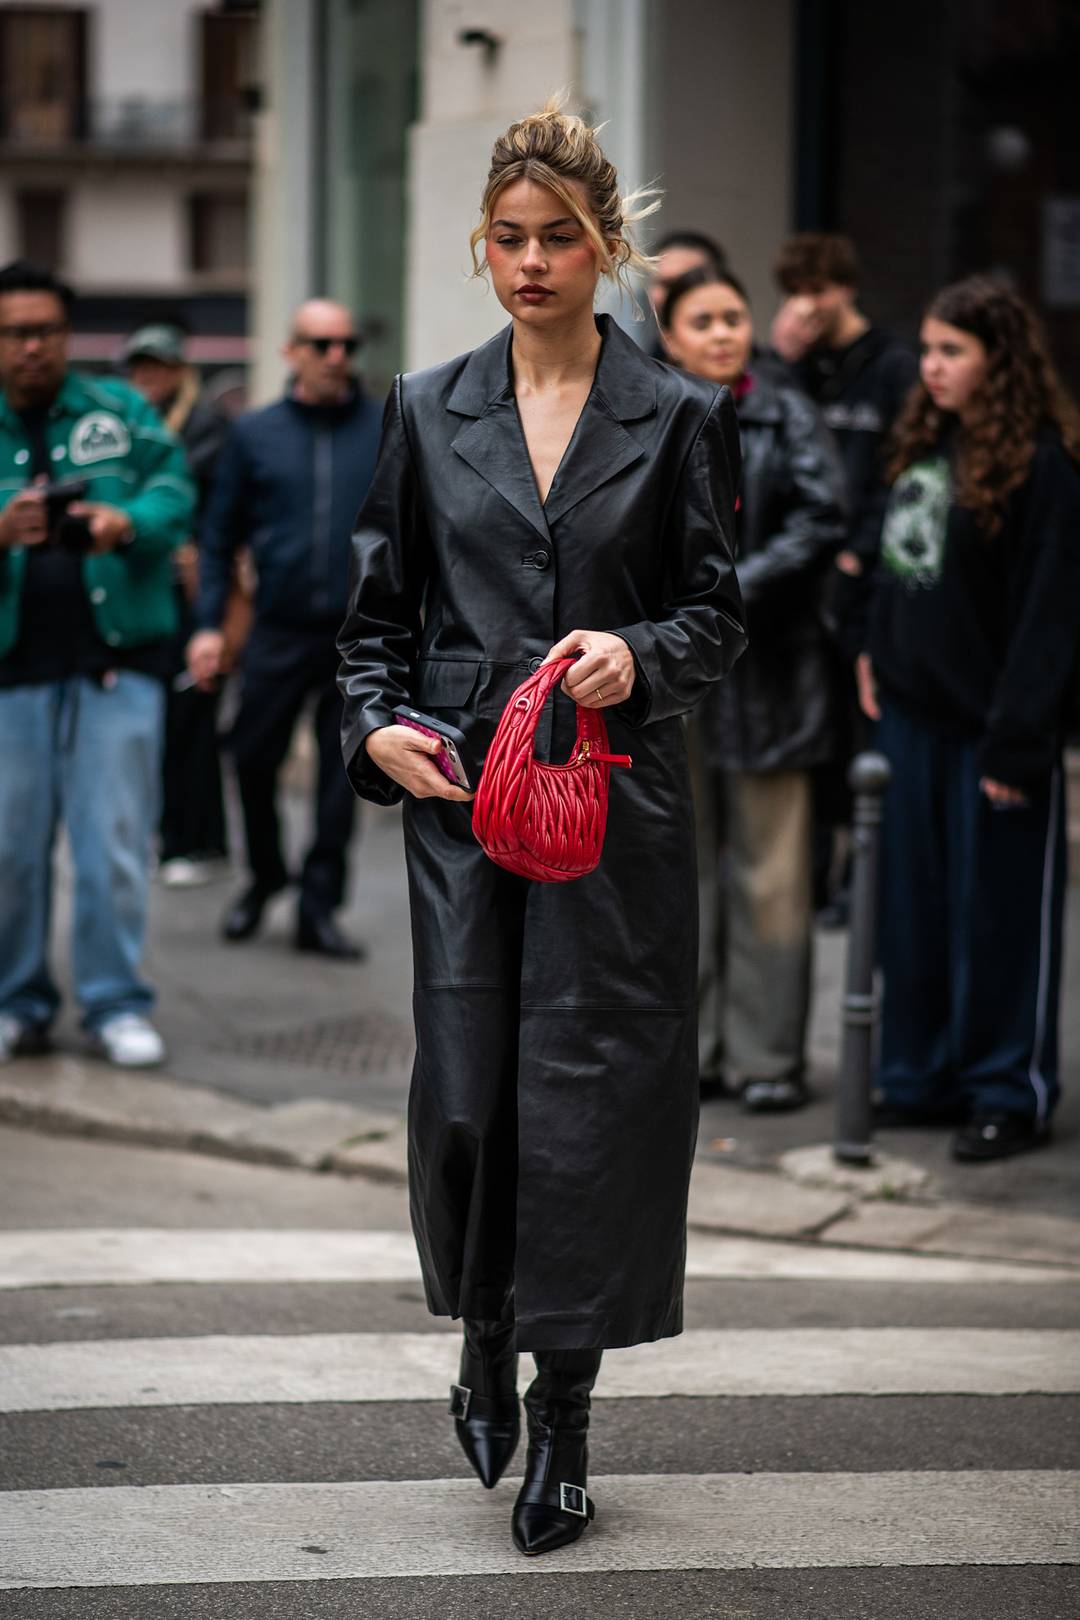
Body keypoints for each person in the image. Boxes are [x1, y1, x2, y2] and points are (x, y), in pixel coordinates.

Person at [337, 99, 745, 1555]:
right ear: (481, 249)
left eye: (556, 238)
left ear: (603, 247)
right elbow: (374, 624)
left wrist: (643, 655)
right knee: (468, 1098)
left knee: (587, 1116)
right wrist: (373, 731)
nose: (528, 262)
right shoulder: (423, 405)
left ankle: (563, 1419)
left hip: (612, 810)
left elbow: (719, 611)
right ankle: (481, 1330)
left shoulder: (682, 413)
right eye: (506, 239)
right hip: (462, 808)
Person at [858, 276, 1080, 1162]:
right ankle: (919, 1078)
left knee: (998, 917)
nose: (932, 366)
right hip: (910, 723)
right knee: (912, 912)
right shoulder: (926, 441)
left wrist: (1019, 741)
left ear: (1000, 360)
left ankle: (1005, 1091)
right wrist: (872, 650)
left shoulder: (1044, 463)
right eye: (930, 348)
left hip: (994, 735)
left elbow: (1050, 618)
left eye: (953, 350)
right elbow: (896, 562)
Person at [659, 265, 847, 1111]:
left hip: (771, 671)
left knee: (772, 874)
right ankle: (691, 1050)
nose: (725, 332)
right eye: (704, 321)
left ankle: (768, 1060)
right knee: (680, 869)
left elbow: (823, 515)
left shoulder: (784, 407)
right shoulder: (649, 411)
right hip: (675, 674)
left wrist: (731, 589)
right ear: (670, 335)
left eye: (734, 317)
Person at [0, 261, 194, 1067]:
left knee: (112, 842)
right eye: (14, 332)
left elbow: (175, 487)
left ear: (68, 335)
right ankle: (17, 1001)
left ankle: (115, 1003)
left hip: (118, 664)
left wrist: (126, 522)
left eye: (46, 330)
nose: (31, 346)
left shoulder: (115, 408)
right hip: (11, 674)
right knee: (9, 850)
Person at [187, 300, 383, 958]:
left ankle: (318, 907)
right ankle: (266, 876)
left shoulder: (384, 426)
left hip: (357, 637)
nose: (337, 357)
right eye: (321, 344)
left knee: (340, 775)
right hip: (277, 628)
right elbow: (218, 538)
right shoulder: (256, 433)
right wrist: (209, 624)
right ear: (290, 351)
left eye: (346, 344)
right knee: (250, 755)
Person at [770, 232, 919, 923]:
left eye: (819, 291)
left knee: (865, 731)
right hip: (802, 580)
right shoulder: (795, 367)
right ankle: (820, 877)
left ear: (846, 288)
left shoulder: (891, 366)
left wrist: (863, 550)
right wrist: (787, 362)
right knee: (818, 734)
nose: (809, 306)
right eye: (797, 291)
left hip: (863, 577)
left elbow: (903, 469)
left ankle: (866, 876)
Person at [123, 322, 232, 888]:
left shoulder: (203, 426)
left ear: (177, 369)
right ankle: (178, 840)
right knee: (168, 718)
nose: (147, 375)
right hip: (155, 590)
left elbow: (203, 511)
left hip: (194, 591)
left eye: (156, 365)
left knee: (191, 718)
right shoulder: (137, 422)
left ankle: (199, 842)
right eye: (139, 366)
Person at [644, 229, 728, 358]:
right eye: (664, 284)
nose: (673, 295)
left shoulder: (762, 374)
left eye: (685, 284)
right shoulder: (637, 370)